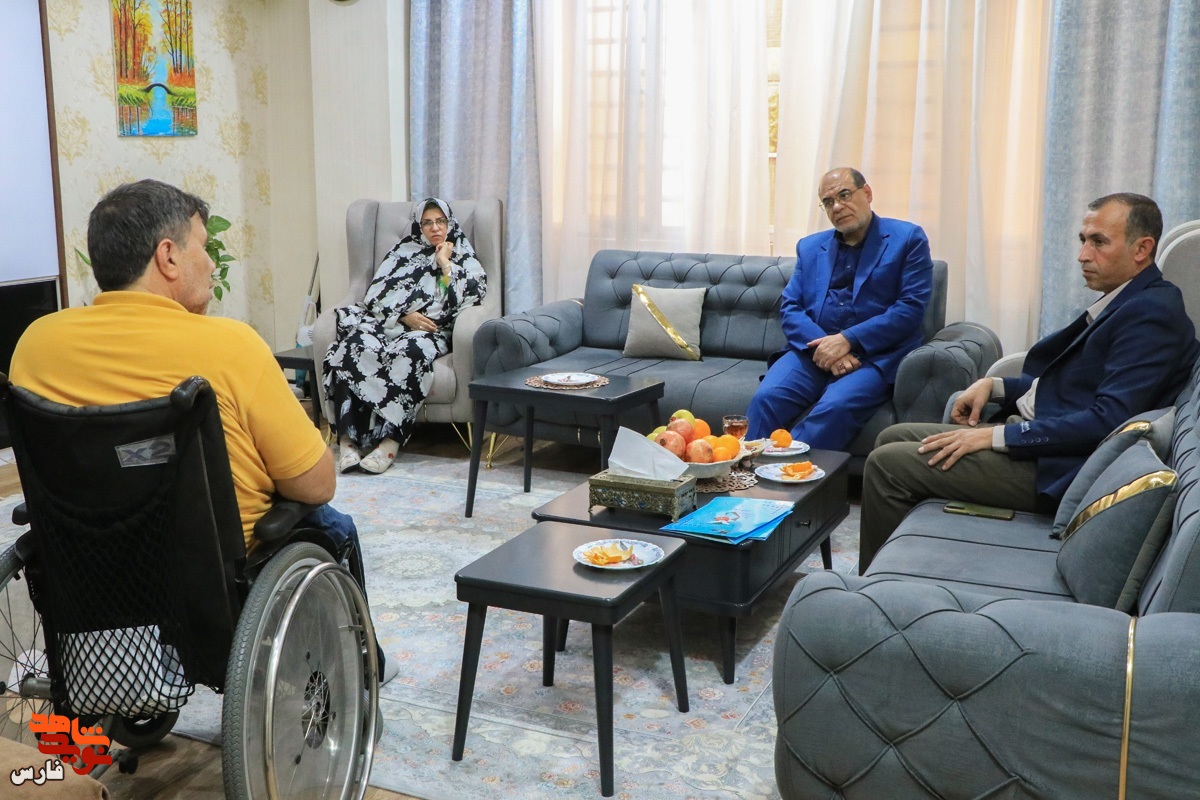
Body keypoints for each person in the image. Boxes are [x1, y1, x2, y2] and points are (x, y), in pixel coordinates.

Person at [9, 179, 394, 682]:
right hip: (209, 579)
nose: (212, 264)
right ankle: (361, 672)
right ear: (168, 257)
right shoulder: (229, 346)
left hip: (89, 568)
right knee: (333, 524)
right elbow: (316, 484)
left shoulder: (36, 344)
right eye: (204, 248)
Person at [859, 192, 1200, 572]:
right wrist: (996, 386)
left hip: (1060, 467)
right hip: (1047, 439)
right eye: (1083, 240)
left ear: (1142, 249)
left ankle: (873, 591)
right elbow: (1073, 387)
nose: (1082, 255)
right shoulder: (1128, 300)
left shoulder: (1152, 315)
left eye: (1098, 242)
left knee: (887, 466)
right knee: (890, 437)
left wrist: (997, 436)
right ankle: (907, 568)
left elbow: (1107, 420)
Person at [746, 167, 933, 450]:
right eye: (828, 202)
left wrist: (847, 340)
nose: (837, 207)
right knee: (766, 399)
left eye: (844, 195)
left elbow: (910, 309)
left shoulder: (907, 239)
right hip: (813, 350)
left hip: (872, 355)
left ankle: (788, 473)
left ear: (867, 193)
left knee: (835, 408)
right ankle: (745, 473)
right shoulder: (810, 247)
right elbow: (791, 306)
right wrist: (826, 349)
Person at [324, 198, 487, 475]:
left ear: (449, 223)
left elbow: (466, 299)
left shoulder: (462, 257)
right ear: (418, 225)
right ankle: (348, 442)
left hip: (429, 332)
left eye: (440, 221)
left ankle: (389, 443)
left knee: (411, 353)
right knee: (351, 346)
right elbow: (375, 294)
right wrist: (402, 315)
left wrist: (444, 264)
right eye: (427, 222)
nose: (435, 228)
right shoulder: (402, 251)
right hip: (387, 324)